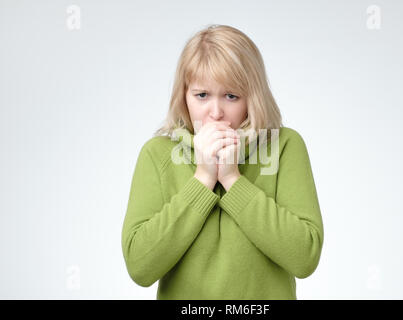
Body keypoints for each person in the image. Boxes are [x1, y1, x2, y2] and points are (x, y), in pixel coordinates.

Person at [121, 24, 324, 300]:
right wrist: (203, 178)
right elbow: (140, 267)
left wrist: (232, 179)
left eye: (231, 96)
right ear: (183, 96)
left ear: (253, 97)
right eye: (202, 95)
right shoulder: (157, 154)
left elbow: (304, 257)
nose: (215, 113)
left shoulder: (285, 146)